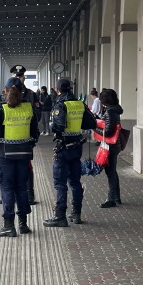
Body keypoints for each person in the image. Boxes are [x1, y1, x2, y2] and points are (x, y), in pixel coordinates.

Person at [0, 77, 39, 237]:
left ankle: (8, 226)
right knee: (22, 188)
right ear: (22, 92)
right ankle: (23, 224)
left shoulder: (0, 109)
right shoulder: (29, 109)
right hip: (24, 154)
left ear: (5, 90)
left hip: (4, 155)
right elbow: (35, 132)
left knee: (7, 189)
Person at [44, 78, 97, 227]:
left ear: (58, 89)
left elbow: (58, 126)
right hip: (77, 147)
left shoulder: (60, 104)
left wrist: (52, 124)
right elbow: (91, 123)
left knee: (60, 184)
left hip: (63, 147)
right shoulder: (80, 104)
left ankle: (60, 216)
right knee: (75, 182)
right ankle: (76, 214)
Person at [10, 64, 42, 205]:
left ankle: (30, 194)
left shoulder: (31, 94)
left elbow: (37, 115)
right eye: (16, 76)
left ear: (24, 78)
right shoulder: (5, 93)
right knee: (8, 167)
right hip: (9, 137)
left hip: (25, 135)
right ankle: (7, 193)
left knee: (27, 166)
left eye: (20, 76)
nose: (18, 78)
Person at [98, 88, 123, 208]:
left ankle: (111, 199)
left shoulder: (109, 112)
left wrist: (94, 127)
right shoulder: (115, 110)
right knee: (112, 171)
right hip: (115, 145)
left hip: (110, 145)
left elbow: (107, 132)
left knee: (110, 172)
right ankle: (116, 197)